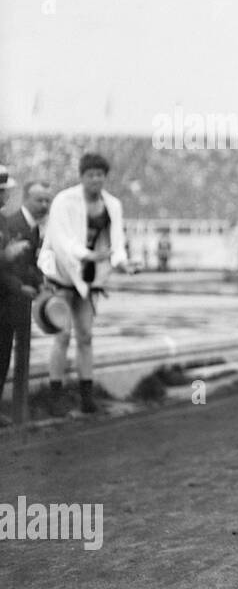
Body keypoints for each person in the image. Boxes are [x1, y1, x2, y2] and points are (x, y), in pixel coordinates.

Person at [38, 152, 130, 415]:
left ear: (105, 177)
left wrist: (123, 263)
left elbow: (117, 243)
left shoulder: (112, 204)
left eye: (100, 175)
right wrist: (87, 254)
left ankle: (86, 396)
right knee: (62, 334)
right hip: (63, 274)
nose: (95, 180)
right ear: (81, 177)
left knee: (86, 336)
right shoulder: (64, 201)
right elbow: (61, 240)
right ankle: (55, 394)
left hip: (89, 278)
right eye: (90, 175)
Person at [0, 179, 52, 424]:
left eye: (46, 200)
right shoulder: (11, 223)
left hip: (18, 299)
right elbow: (6, 265)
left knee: (11, 354)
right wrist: (20, 286)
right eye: (38, 200)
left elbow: (27, 264)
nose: (44, 204)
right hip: (7, 297)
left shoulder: (30, 227)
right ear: (25, 199)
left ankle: (18, 409)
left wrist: (40, 281)